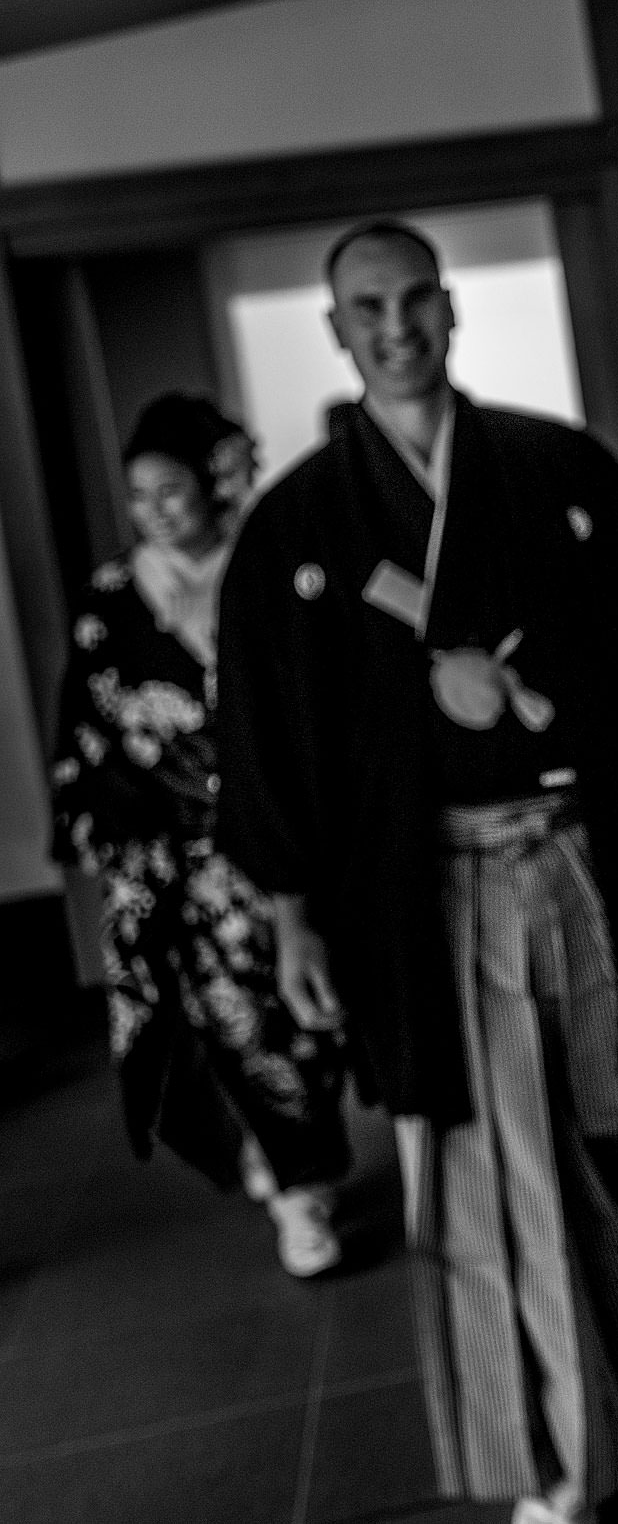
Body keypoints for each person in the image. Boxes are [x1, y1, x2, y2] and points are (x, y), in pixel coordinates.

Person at [214, 220, 618, 1524]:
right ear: (336, 332)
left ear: (450, 311)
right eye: (366, 309)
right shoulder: (298, 525)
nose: (394, 327)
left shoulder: (556, 468)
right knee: (494, 1160)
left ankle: (613, 1363)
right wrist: (291, 916)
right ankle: (565, 1449)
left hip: (581, 854)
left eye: (414, 300)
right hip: (424, 896)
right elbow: (270, 741)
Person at [49, 393, 349, 1277]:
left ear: (216, 482)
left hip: (280, 844)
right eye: (140, 497)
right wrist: (115, 833)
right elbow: (90, 728)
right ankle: (292, 1180)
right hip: (170, 854)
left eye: (172, 491)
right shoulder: (113, 599)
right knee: (213, 1025)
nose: (155, 512)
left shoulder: (277, 570)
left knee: (301, 1016)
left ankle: (308, 1169)